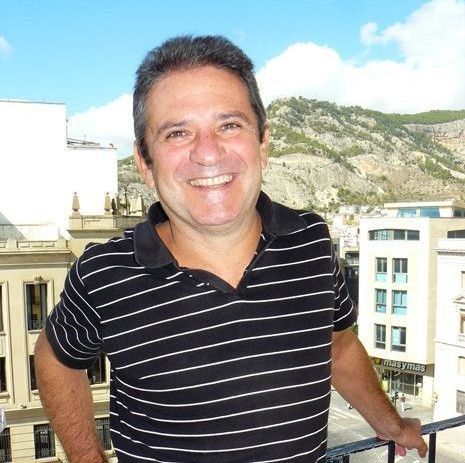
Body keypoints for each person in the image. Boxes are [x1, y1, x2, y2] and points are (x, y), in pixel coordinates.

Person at [34, 35, 428, 463]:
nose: (208, 153)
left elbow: (338, 347)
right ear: (145, 163)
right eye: (178, 133)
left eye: (229, 125)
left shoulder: (311, 241)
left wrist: (391, 424)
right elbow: (55, 359)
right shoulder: (104, 273)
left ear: (262, 143)